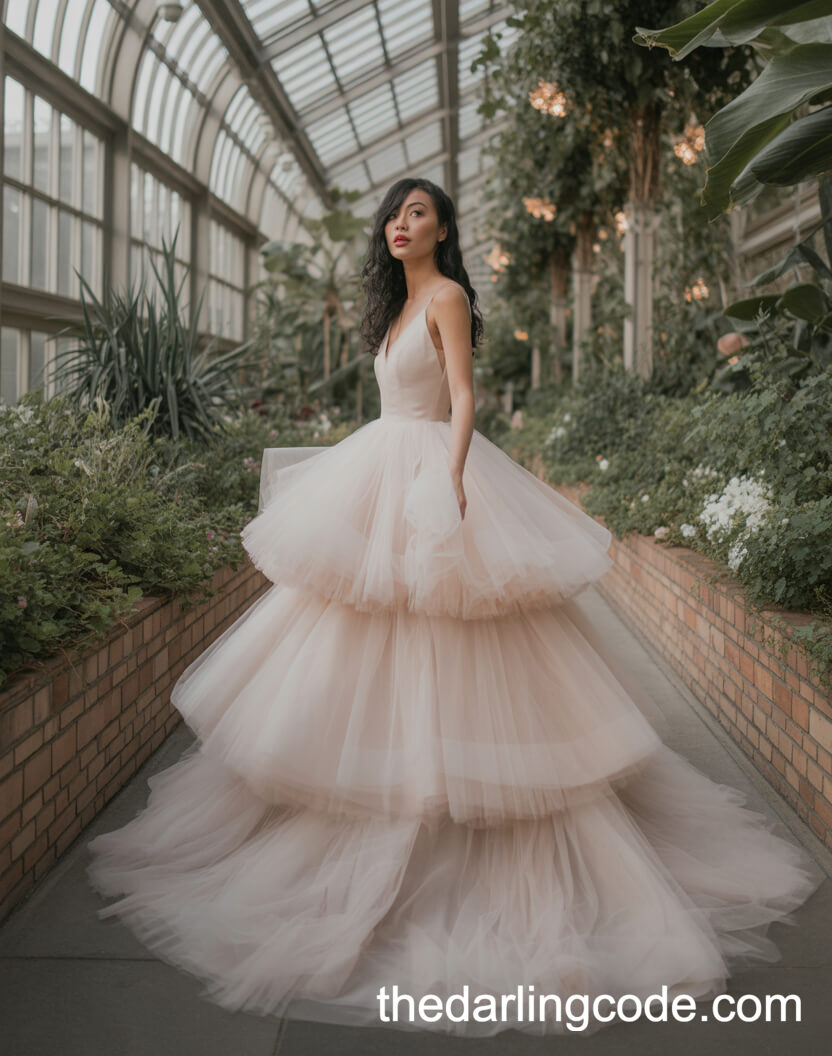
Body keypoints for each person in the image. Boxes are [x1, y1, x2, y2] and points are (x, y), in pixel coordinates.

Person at [86, 177, 822, 1038]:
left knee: (453, 634)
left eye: (419, 213)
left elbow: (463, 397)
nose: (402, 225)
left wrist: (454, 479)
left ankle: (448, 824)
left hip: (434, 468)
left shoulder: (447, 297)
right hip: (381, 466)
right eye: (396, 214)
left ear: (444, 229)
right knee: (363, 633)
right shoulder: (398, 304)